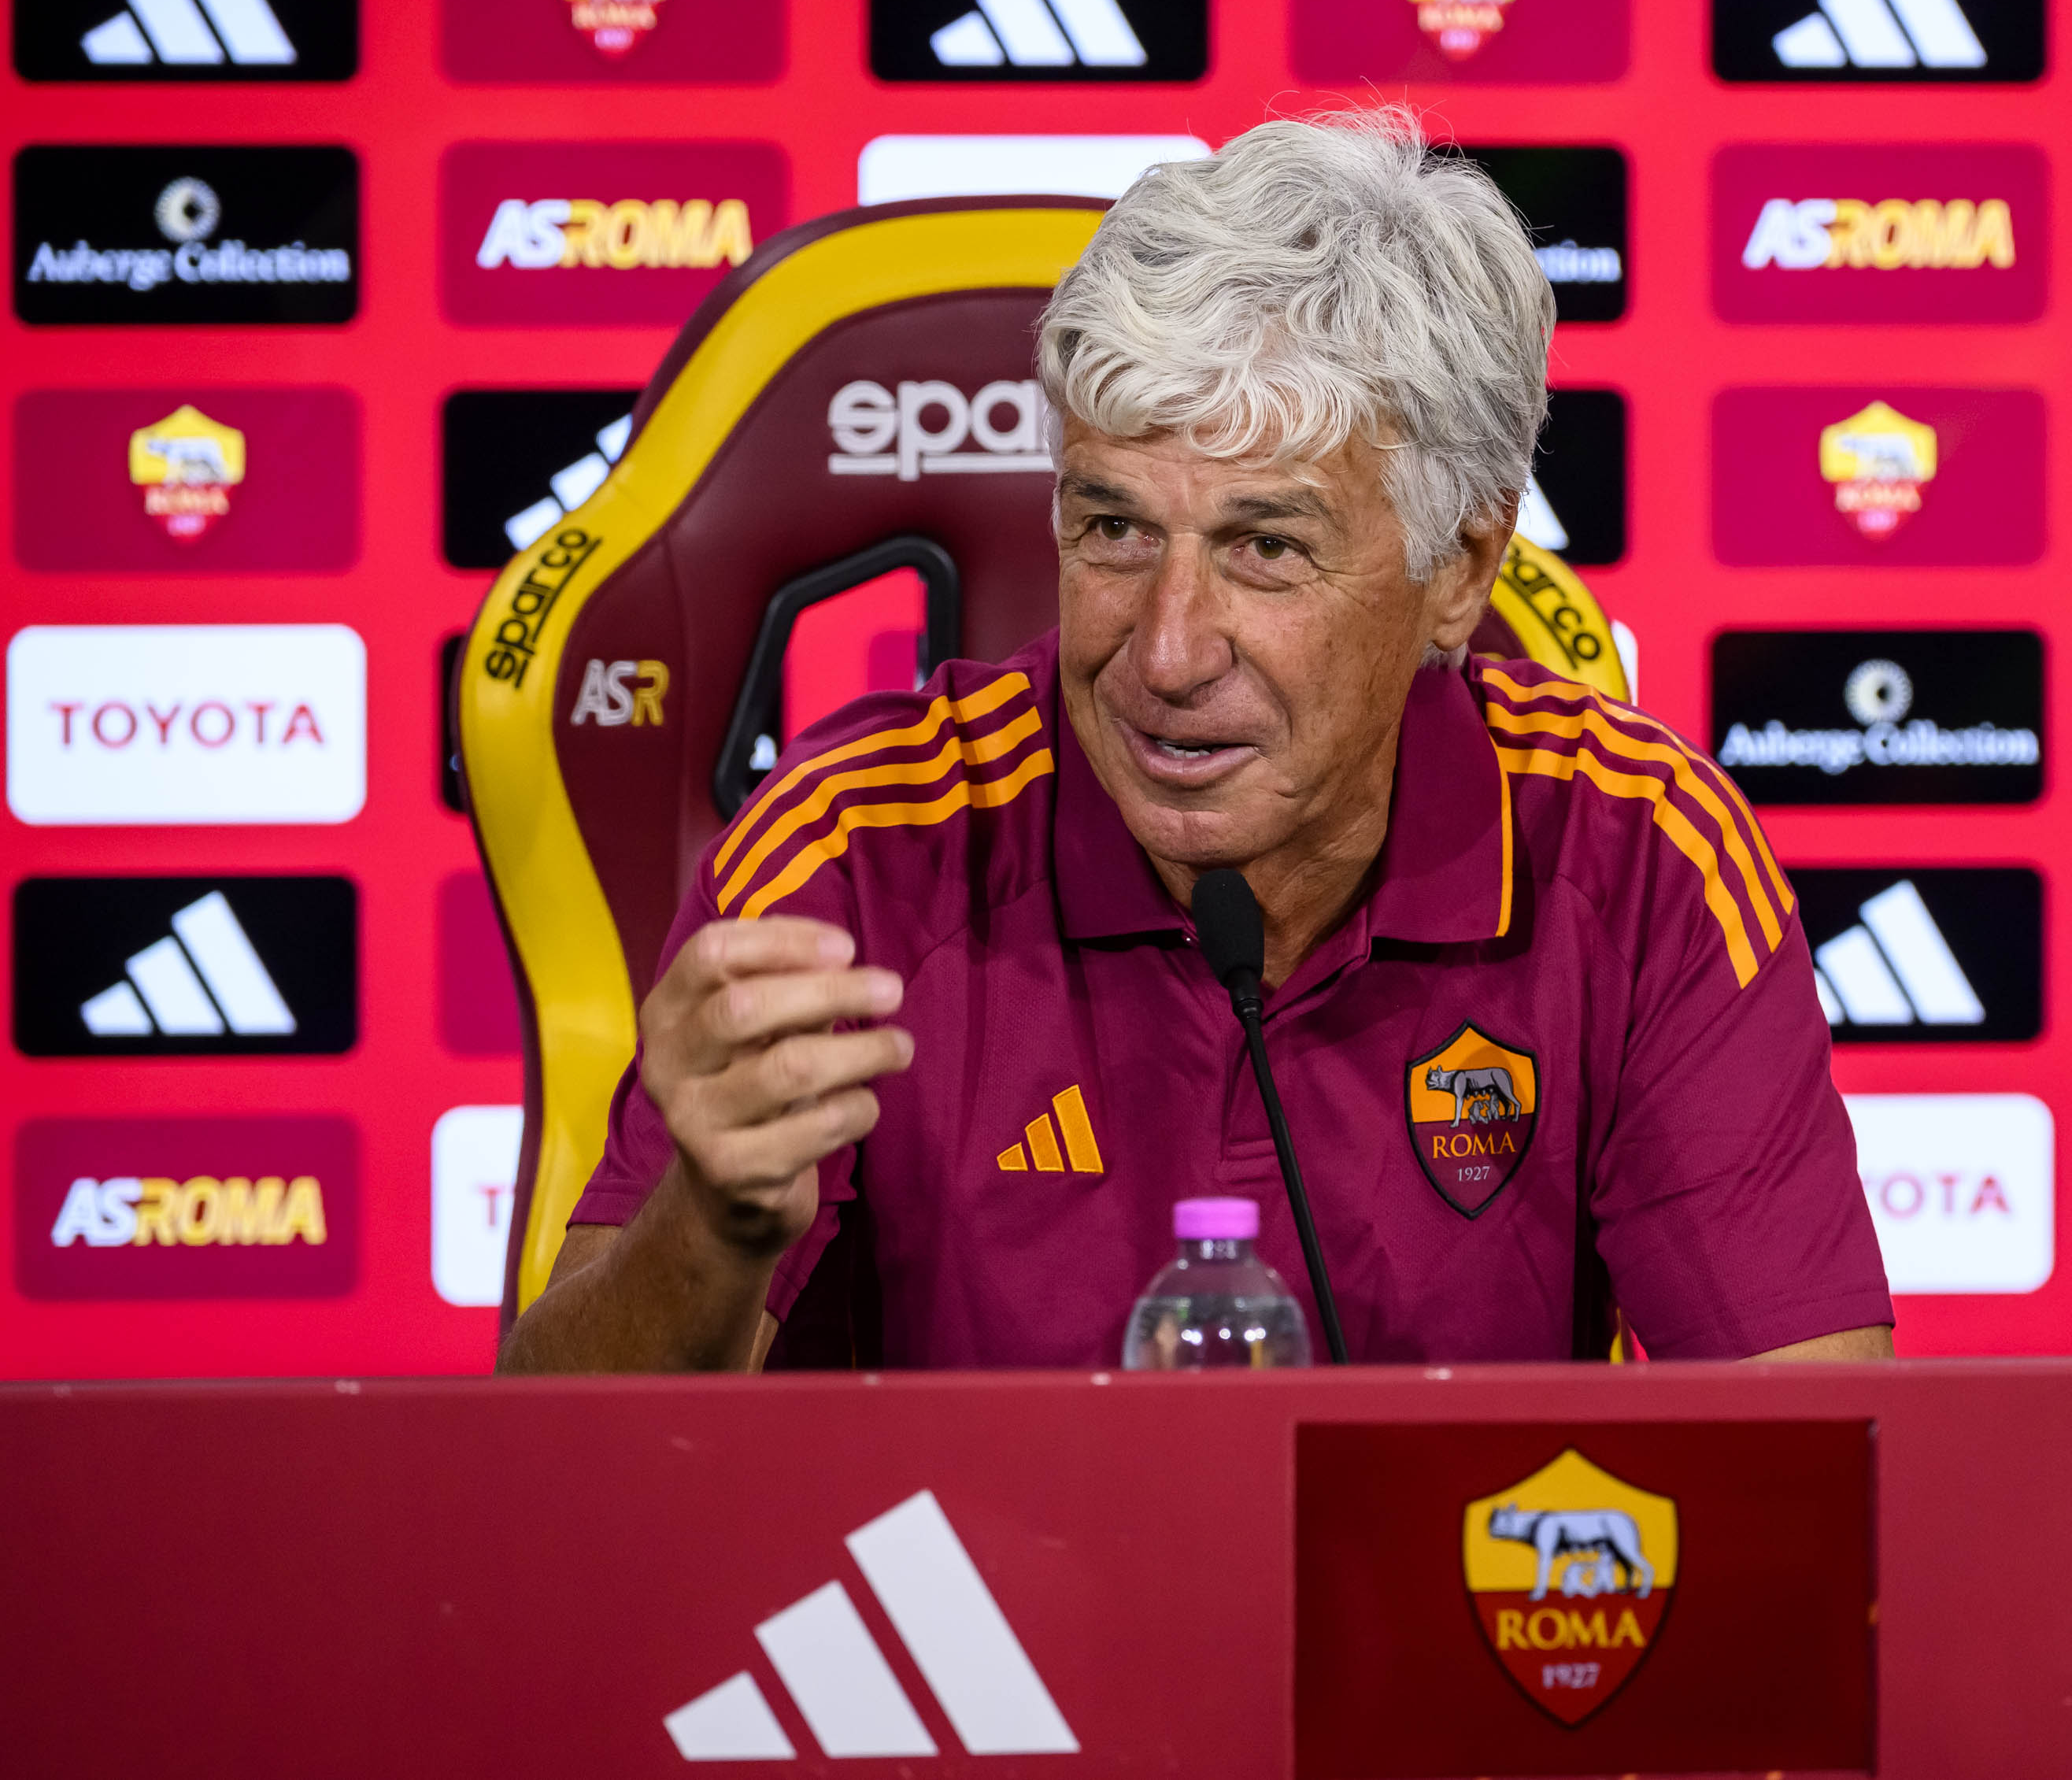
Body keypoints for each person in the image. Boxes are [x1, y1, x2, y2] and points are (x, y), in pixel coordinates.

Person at [498, 109, 1893, 1374]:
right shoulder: (860, 850)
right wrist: (713, 1227)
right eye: (1113, 529)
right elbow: (560, 1485)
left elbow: (1816, 1466)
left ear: (1458, 572)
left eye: (1266, 548)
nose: (1164, 654)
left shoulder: (1640, 857)